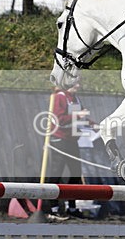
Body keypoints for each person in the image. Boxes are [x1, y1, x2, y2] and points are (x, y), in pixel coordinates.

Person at [38, 81, 89, 221]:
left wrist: (95, 125)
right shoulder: (60, 97)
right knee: (56, 174)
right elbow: (59, 120)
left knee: (76, 174)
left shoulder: (76, 98)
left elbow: (82, 117)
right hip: (60, 141)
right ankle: (53, 209)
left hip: (72, 141)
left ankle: (71, 207)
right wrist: (78, 116)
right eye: (75, 84)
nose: (79, 86)